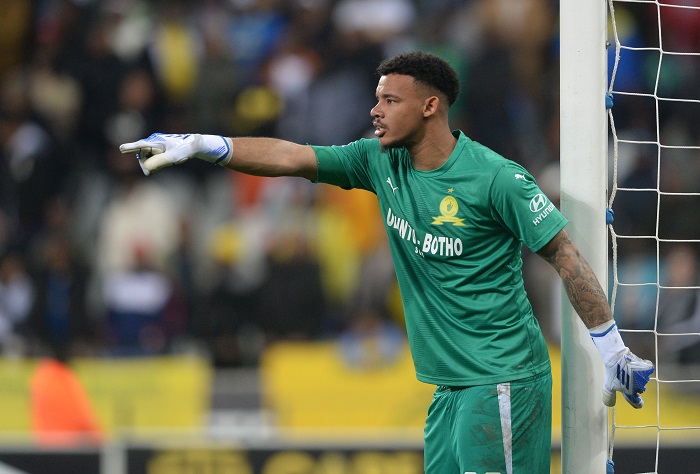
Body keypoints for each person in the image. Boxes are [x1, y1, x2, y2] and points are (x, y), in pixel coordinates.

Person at [120, 51, 654, 473]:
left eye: (390, 100)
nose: (375, 110)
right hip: (448, 387)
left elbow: (562, 251)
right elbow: (292, 156)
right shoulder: (377, 161)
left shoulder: (497, 178)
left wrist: (610, 346)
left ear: (430, 106)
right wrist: (202, 144)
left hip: (502, 381)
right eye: (376, 99)